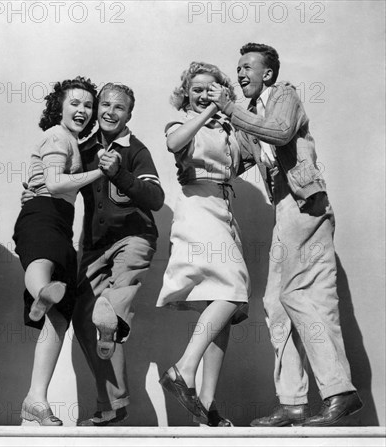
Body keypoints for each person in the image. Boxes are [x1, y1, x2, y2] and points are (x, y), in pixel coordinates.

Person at [208, 42, 363, 427]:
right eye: (238, 67)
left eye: (248, 67)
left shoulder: (285, 97)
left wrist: (230, 108)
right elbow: (235, 163)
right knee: (276, 302)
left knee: (301, 295)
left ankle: (339, 391)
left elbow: (278, 133)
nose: (241, 73)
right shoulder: (249, 116)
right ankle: (293, 401)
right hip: (284, 209)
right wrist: (200, 129)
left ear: (269, 74)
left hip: (305, 204)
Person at [156, 62, 250, 427]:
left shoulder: (226, 129)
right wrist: (212, 108)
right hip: (197, 208)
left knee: (221, 306)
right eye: (196, 89)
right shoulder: (182, 124)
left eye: (211, 89)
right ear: (186, 93)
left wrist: (232, 114)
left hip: (224, 210)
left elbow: (246, 160)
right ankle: (183, 368)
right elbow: (173, 144)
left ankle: (206, 406)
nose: (202, 94)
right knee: (234, 289)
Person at [71, 83, 164, 426]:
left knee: (114, 299)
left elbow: (155, 198)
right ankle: (113, 403)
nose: (110, 112)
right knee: (85, 320)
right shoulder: (82, 147)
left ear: (129, 115)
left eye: (119, 108)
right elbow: (61, 184)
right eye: (105, 105)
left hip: (133, 237)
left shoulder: (136, 150)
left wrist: (120, 174)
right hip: (94, 246)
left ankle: (111, 312)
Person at [13, 77, 104, 426]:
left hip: (59, 220)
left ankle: (36, 399)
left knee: (60, 318)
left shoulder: (73, 141)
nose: (82, 110)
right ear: (59, 107)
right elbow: (53, 183)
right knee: (43, 261)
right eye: (74, 103)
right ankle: (40, 293)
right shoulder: (56, 135)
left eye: (87, 105)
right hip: (43, 213)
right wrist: (98, 172)